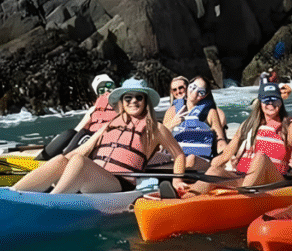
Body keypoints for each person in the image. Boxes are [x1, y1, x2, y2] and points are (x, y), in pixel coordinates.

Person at [13, 78, 185, 194]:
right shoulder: (110, 125)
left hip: (119, 183)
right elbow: (80, 152)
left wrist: (177, 181)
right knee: (60, 159)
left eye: (139, 97)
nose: (133, 101)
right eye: (128, 98)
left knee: (80, 162)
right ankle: (13, 193)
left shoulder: (155, 128)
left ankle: (51, 202)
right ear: (122, 102)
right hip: (96, 176)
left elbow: (178, 155)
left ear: (145, 101)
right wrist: (64, 161)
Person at [180, 82, 292, 197]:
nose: (270, 104)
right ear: (260, 102)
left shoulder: (290, 129)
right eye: (266, 100)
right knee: (215, 170)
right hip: (244, 178)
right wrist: (203, 172)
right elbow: (225, 155)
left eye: (274, 100)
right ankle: (188, 199)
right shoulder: (248, 125)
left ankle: (240, 199)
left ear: (280, 102)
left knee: (260, 157)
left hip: (273, 182)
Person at [35, 74, 118, 160]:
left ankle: (64, 161)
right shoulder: (94, 109)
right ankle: (42, 158)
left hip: (106, 140)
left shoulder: (122, 105)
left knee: (85, 137)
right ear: (98, 94)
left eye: (109, 86)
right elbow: (79, 129)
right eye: (101, 90)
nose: (107, 90)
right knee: (70, 133)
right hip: (88, 138)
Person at [161, 76, 228, 174]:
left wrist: (229, 155)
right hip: (174, 158)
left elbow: (220, 140)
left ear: (205, 95)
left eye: (201, 92)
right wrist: (172, 123)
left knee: (191, 159)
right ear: (188, 87)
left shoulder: (210, 112)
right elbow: (159, 136)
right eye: (193, 87)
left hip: (199, 160)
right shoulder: (172, 111)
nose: (195, 92)